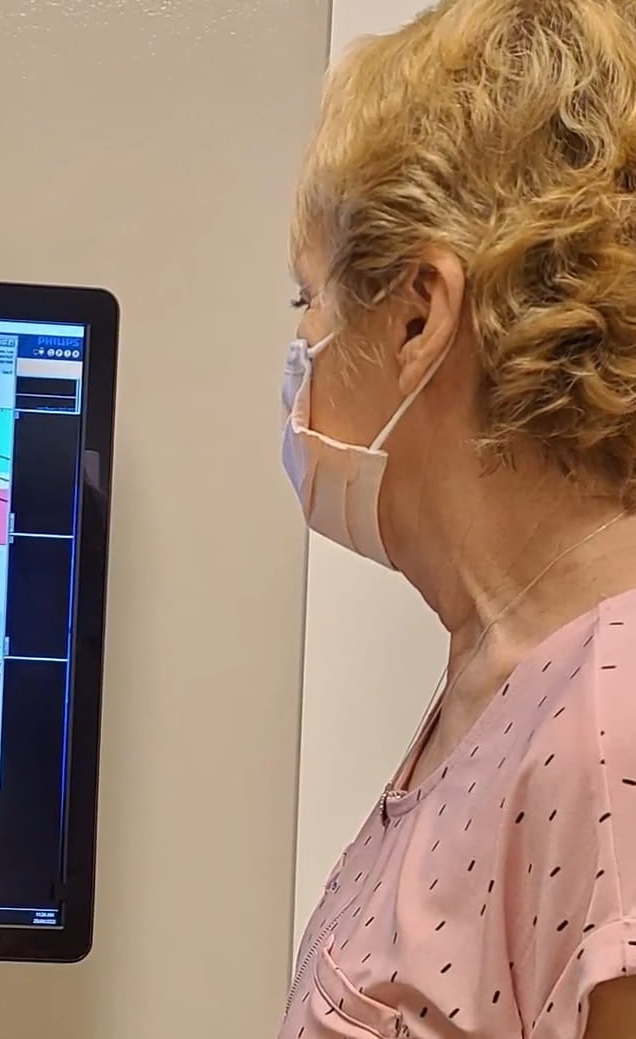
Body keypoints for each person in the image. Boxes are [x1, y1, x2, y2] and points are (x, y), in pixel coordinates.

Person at [279, 1, 636, 1035]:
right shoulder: (498, 680)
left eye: (304, 301)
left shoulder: (608, 732)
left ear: (416, 317)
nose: (297, 350)